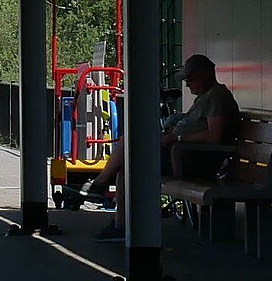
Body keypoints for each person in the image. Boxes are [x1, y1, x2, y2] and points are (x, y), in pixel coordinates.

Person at [95, 54, 239, 231]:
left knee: (129, 149)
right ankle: (118, 222)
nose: (187, 84)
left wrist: (177, 138)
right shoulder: (205, 96)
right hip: (181, 154)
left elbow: (214, 136)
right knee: (128, 158)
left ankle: (99, 188)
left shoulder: (216, 96)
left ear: (205, 75)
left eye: (190, 79)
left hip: (190, 160)